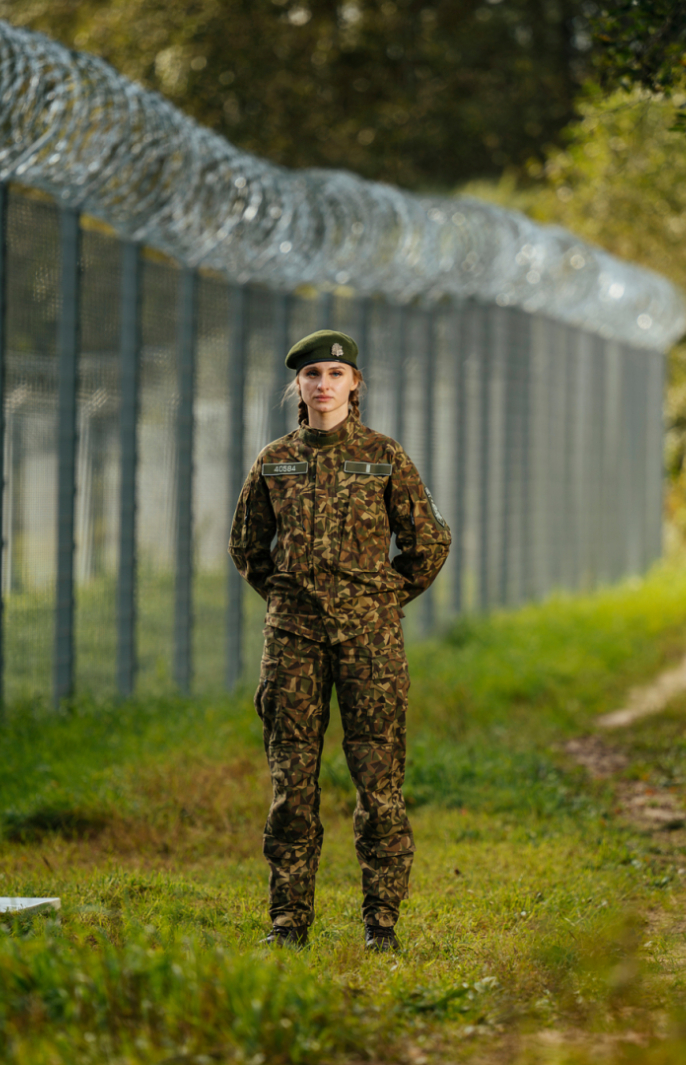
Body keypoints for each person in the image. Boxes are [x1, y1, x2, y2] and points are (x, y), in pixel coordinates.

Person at [228, 328, 450, 953]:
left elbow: (429, 543)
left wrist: (380, 600)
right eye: (311, 375)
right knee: (291, 786)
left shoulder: (383, 456)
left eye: (334, 374)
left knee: (379, 784)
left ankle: (382, 923)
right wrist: (288, 600)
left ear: (354, 384)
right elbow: (246, 546)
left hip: (370, 643)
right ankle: (287, 922)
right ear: (297, 387)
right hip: (293, 643)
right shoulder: (274, 461)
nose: (323, 384)